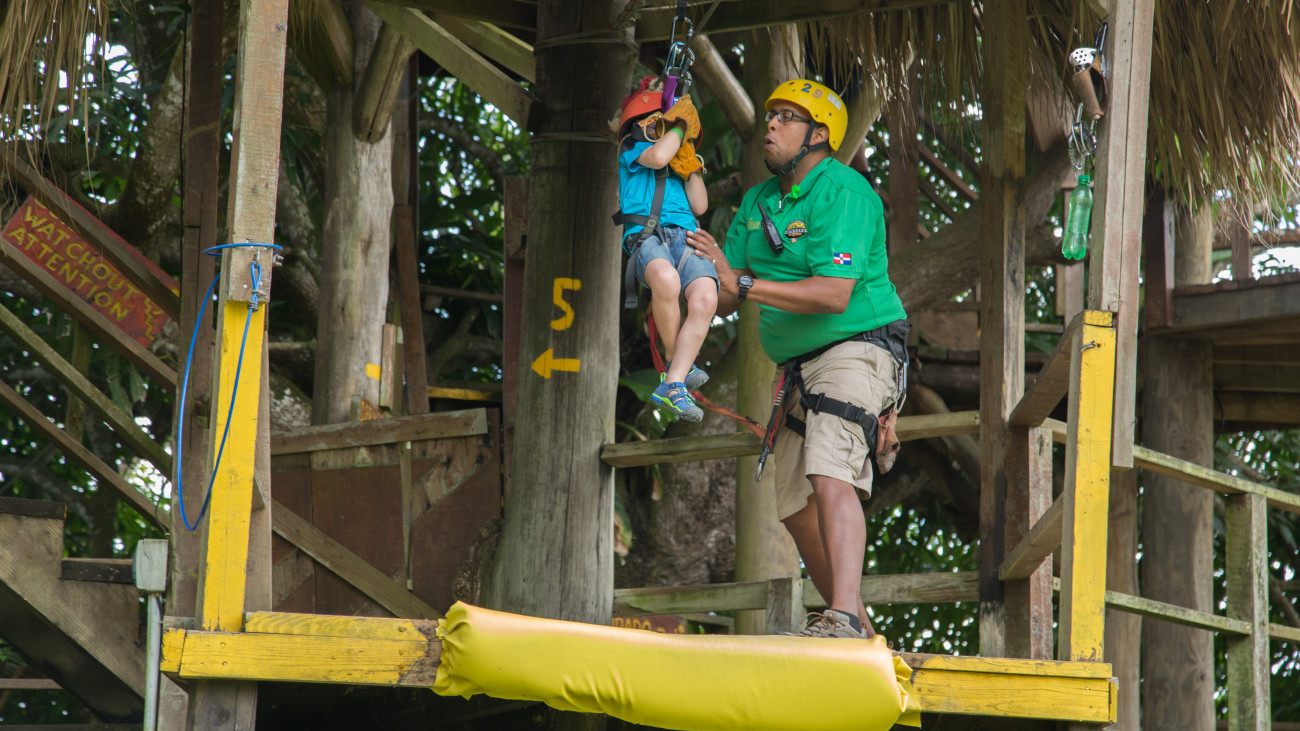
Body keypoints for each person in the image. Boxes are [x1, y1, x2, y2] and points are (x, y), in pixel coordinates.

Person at [686, 79, 908, 639]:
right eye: (771, 115)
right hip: (797, 369)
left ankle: (843, 616)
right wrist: (680, 277)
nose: (771, 124)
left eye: (787, 117)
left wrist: (742, 282)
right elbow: (727, 291)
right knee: (792, 503)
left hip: (857, 347)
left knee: (830, 472)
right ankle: (857, 630)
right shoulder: (759, 201)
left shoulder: (846, 191)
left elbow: (833, 293)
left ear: (819, 135)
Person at [615, 76, 716, 422]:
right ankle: (676, 364)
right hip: (648, 235)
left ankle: (673, 382)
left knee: (705, 296)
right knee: (667, 281)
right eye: (656, 123)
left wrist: (690, 166)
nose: (664, 130)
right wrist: (681, 124)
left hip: (685, 234)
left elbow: (700, 206)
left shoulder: (677, 157)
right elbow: (658, 156)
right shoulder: (633, 150)